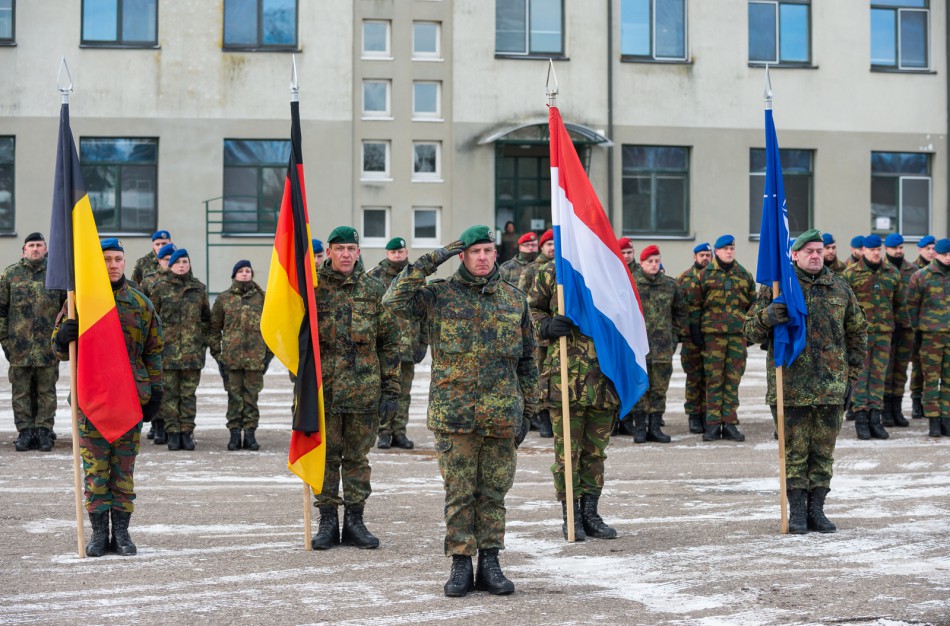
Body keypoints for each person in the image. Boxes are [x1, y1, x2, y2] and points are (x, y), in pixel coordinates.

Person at [383, 225, 538, 598]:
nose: (482, 257)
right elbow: (392, 300)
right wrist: (436, 257)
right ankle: (460, 563)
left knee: (494, 492)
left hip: (502, 415)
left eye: (487, 250)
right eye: (473, 251)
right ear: (462, 255)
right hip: (455, 416)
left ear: (495, 254)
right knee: (459, 492)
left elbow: (528, 361)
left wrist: (528, 411)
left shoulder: (514, 300)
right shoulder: (439, 295)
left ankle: (490, 562)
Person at [744, 229, 867, 534]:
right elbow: (748, 332)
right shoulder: (777, 289)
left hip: (830, 387)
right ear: (795, 255)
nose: (815, 256)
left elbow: (857, 333)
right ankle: (797, 511)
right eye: (808, 251)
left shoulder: (840, 288)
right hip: (791, 386)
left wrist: (850, 378)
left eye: (819, 250)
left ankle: (817, 510)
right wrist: (767, 317)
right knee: (794, 453)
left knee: (823, 454)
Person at [51, 237, 164, 556]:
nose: (113, 265)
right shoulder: (79, 301)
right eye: (106, 259)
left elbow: (154, 350)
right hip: (92, 401)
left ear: (125, 262)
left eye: (117, 259)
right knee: (96, 471)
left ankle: (123, 534)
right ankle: (100, 534)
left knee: (123, 471)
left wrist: (156, 391)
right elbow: (59, 351)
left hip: (129, 399)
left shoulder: (140, 303)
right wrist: (62, 338)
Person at [309, 226, 400, 552]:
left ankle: (355, 521)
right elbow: (296, 341)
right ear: (329, 252)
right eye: (340, 248)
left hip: (363, 393)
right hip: (324, 394)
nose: (346, 254)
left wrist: (391, 390)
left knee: (357, 459)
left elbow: (389, 342)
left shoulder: (374, 290)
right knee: (325, 458)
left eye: (351, 248)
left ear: (358, 252)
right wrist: (302, 388)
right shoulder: (312, 289)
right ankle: (327, 521)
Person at [528, 246, 619, 542]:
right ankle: (571, 515)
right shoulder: (552, 271)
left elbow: (627, 317)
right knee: (568, 453)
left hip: (603, 379)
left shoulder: (610, 272)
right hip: (565, 380)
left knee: (595, 453)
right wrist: (545, 326)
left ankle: (591, 513)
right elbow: (530, 311)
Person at [686, 235, 756, 442]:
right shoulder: (705, 275)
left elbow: (753, 305)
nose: (729, 252)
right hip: (713, 337)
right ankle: (713, 424)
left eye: (732, 248)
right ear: (716, 251)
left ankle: (730, 422)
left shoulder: (744, 275)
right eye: (725, 249)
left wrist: (751, 331)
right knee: (714, 380)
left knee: (732, 380)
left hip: (736, 336)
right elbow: (695, 306)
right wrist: (696, 332)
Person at [0, 232, 66, 451]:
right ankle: (26, 431)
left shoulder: (55, 275)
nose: (35, 248)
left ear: (46, 249)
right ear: (24, 250)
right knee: (21, 392)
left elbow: (66, 310)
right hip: (19, 348)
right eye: (31, 245)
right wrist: (5, 341)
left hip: (48, 348)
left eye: (39, 245)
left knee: (47, 392)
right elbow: (1, 311)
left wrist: (60, 340)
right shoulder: (10, 275)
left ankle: (44, 430)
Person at [841, 234, 908, 440]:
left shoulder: (892, 273)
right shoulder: (851, 274)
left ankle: (875, 418)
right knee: (862, 376)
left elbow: (899, 303)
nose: (876, 253)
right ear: (863, 251)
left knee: (879, 376)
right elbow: (843, 306)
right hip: (860, 335)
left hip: (884, 334)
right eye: (872, 250)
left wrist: (899, 327)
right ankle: (861, 419)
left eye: (879, 250)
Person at [148, 248, 211, 451]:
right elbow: (152, 320)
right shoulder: (160, 288)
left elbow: (206, 319)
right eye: (177, 262)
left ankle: (186, 432)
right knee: (169, 396)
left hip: (192, 354)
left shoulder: (198, 289)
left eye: (185, 261)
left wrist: (201, 342)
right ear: (171, 265)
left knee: (188, 395)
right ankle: (173, 433)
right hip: (167, 354)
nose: (182, 265)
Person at [210, 260, 272, 451]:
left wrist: (267, 355)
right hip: (231, 360)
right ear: (234, 275)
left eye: (247, 270)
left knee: (251, 398)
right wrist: (218, 355)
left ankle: (250, 434)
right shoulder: (224, 299)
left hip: (255, 359)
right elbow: (214, 329)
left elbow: (273, 328)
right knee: (234, 398)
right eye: (240, 271)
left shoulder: (263, 298)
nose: (244, 273)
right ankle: (235, 434)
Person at [367, 236, 423, 450]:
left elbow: (425, 314)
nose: (397, 256)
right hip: (383, 347)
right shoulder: (375, 276)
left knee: (403, 394)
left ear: (406, 252)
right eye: (393, 253)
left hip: (408, 347)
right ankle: (384, 432)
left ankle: (400, 432)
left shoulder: (416, 276)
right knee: (384, 391)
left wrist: (423, 344)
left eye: (400, 252)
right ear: (387, 254)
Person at [629, 245, 687, 443]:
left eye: (657, 261)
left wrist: (674, 337)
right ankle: (639, 427)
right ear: (642, 263)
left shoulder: (670, 285)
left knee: (660, 389)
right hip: (639, 349)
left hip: (663, 348)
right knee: (640, 388)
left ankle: (655, 427)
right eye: (650, 262)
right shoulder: (631, 284)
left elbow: (680, 313)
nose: (654, 265)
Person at [906, 238, 950, 438]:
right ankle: (933, 419)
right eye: (944, 254)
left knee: (948, 379)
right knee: (931, 378)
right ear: (936, 254)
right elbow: (912, 305)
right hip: (931, 336)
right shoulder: (922, 276)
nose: (948, 258)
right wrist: (918, 329)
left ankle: (946, 417)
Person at [517, 228, 555, 437]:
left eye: (555, 244)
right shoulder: (532, 270)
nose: (553, 248)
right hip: (537, 335)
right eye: (549, 244)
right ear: (542, 247)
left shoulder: (562, 268)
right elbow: (522, 301)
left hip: (558, 335)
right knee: (540, 376)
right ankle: (542, 417)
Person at [676, 242, 712, 435]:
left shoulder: (715, 278)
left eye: (708, 255)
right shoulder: (683, 279)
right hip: (691, 338)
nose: (705, 258)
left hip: (711, 337)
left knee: (710, 378)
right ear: (695, 257)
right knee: (693, 378)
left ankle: (707, 414)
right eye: (701, 255)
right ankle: (693, 415)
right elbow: (678, 308)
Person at [882, 233, 916, 428]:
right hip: (887, 328)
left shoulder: (912, 270)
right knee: (886, 370)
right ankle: (886, 409)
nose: (898, 251)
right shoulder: (883, 270)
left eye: (901, 247)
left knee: (901, 370)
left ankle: (897, 408)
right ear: (886, 249)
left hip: (906, 327)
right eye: (895, 248)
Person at [910, 235, 937, 418]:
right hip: (920, 327)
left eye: (933, 248)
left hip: (936, 329)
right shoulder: (914, 270)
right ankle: (916, 399)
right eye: (927, 249)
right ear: (920, 250)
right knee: (918, 365)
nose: (931, 252)